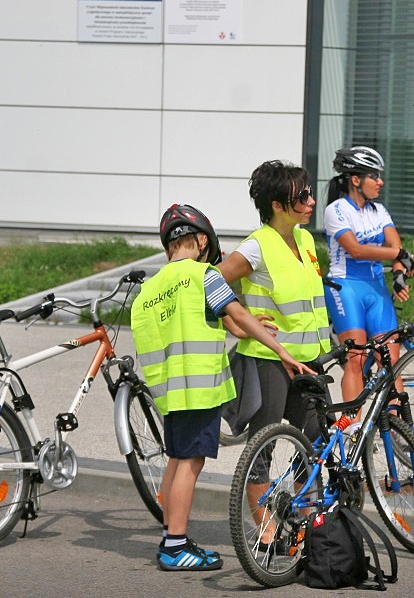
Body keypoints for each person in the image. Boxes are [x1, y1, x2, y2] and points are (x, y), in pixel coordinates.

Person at [131, 203, 312, 572]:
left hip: (170, 391)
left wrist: (247, 326)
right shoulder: (204, 276)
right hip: (200, 389)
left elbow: (226, 324)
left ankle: (172, 534)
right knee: (191, 462)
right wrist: (282, 352)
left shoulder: (149, 292)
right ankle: (174, 546)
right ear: (199, 241)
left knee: (177, 459)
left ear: (169, 246)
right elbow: (238, 315)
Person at [217, 160, 331, 549]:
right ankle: (266, 533)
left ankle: (302, 524)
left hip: (308, 360)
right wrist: (235, 323)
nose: (311, 201)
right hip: (266, 361)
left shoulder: (304, 240)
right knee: (263, 447)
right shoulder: (256, 245)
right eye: (302, 196)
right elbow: (208, 284)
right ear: (278, 205)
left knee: (314, 443)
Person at [322, 146, 414, 405]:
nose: (380, 182)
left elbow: (395, 249)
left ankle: (397, 432)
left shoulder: (379, 210)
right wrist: (400, 254)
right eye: (374, 176)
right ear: (356, 180)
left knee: (391, 361)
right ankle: (353, 428)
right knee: (357, 360)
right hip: (346, 287)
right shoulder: (337, 209)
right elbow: (355, 249)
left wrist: (399, 275)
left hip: (375, 287)